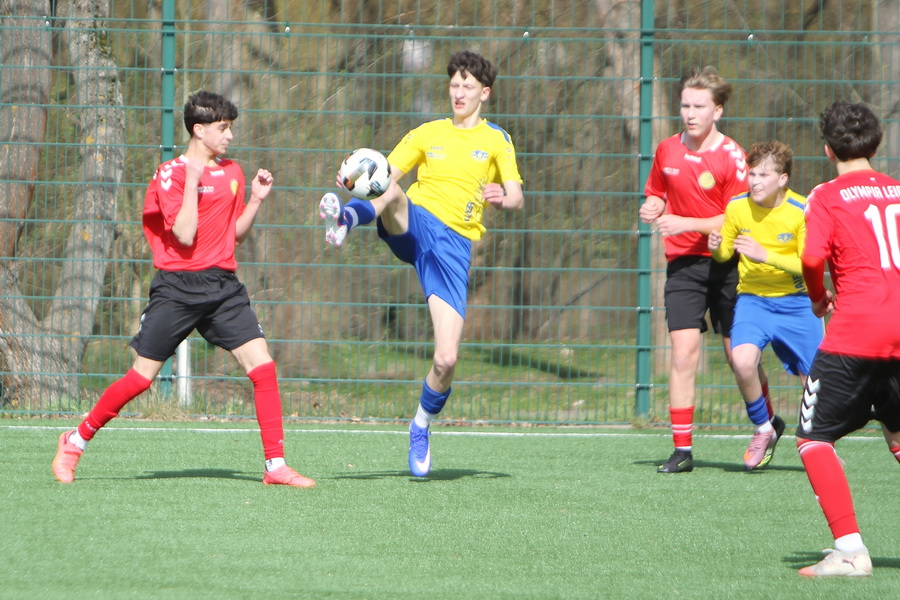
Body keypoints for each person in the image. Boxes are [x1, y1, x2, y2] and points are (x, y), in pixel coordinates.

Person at [52, 91, 315, 488]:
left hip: (223, 287)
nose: (229, 136)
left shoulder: (233, 172)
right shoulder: (170, 174)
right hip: (177, 287)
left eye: (230, 128)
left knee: (263, 367)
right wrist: (193, 180)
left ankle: (275, 465)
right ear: (198, 130)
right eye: (223, 128)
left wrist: (255, 201)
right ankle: (74, 441)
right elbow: (186, 235)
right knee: (141, 378)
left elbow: (234, 236)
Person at [318, 50, 524, 477]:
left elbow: (517, 196)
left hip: (454, 249)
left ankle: (421, 425)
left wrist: (503, 198)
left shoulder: (496, 140)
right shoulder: (427, 133)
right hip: (417, 224)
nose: (459, 93)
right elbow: (381, 175)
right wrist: (352, 178)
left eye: (468, 86)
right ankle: (343, 221)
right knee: (392, 191)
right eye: (454, 85)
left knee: (446, 361)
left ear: (484, 93)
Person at [640, 66, 772, 473]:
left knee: (738, 356)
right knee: (684, 353)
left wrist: (684, 222)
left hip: (728, 264)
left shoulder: (733, 157)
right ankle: (682, 450)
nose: (690, 114)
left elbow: (734, 219)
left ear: (717, 111)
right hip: (683, 265)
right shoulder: (666, 150)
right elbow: (656, 192)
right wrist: (653, 206)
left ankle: (766, 424)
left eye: (699, 106)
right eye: (685, 105)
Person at [795, 101, 900, 577]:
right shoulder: (897, 191)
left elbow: (811, 258)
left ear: (827, 149)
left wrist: (818, 298)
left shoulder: (826, 195)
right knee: (897, 433)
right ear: (875, 145)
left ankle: (850, 551)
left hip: (856, 330)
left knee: (813, 438)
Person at [708, 140, 822, 470]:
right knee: (742, 362)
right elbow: (725, 254)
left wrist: (765, 255)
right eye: (752, 174)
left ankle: (819, 446)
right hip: (753, 300)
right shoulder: (736, 207)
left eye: (764, 175)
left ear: (783, 179)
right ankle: (763, 428)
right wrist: (716, 247)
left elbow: (810, 265)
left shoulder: (802, 210)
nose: (755, 182)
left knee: (815, 384)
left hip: (797, 304)